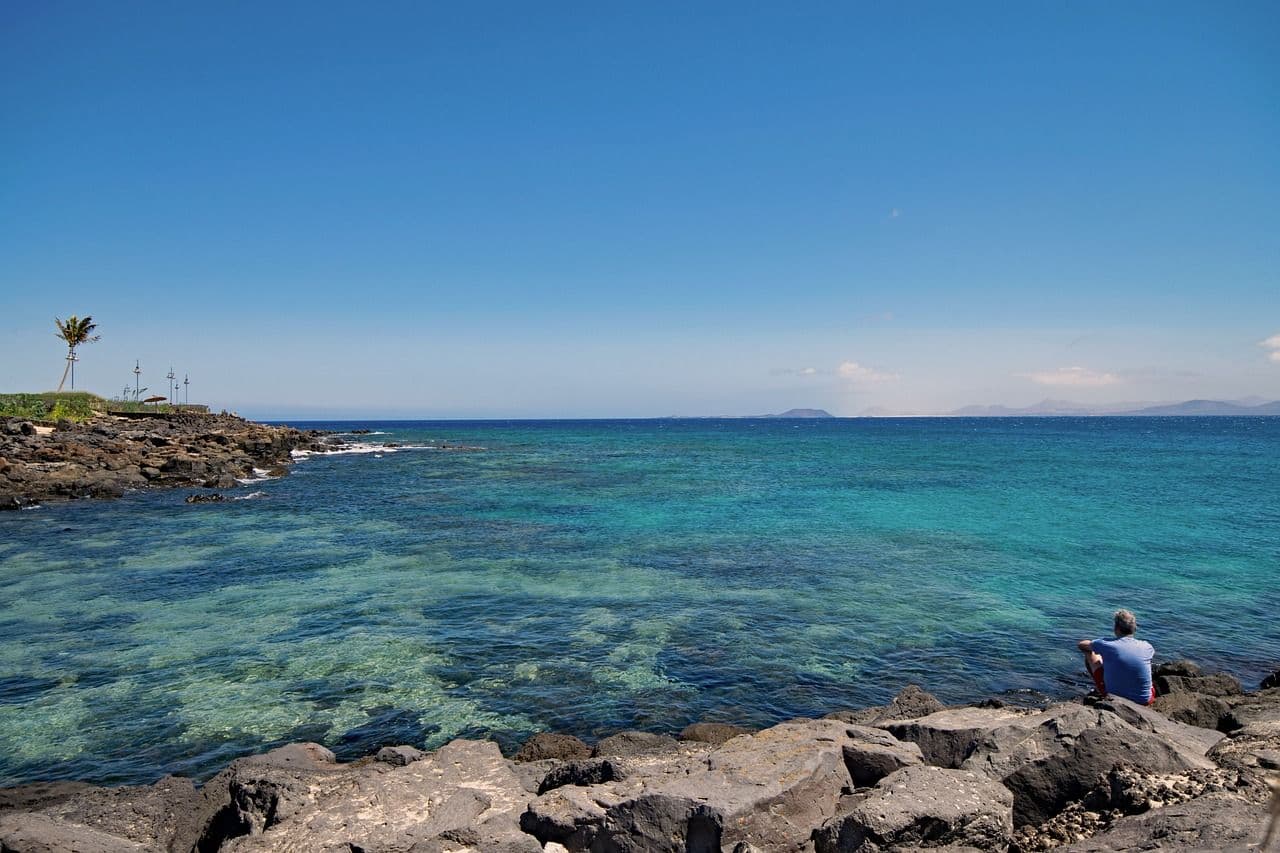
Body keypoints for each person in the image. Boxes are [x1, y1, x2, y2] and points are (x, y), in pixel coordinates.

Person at [1077, 609, 1155, 705]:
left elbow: (1081, 645)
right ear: (1134, 628)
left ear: (1116, 628)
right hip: (1146, 699)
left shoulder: (1107, 644)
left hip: (1115, 699)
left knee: (1091, 654)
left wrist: (1099, 645)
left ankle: (1100, 688)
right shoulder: (1147, 646)